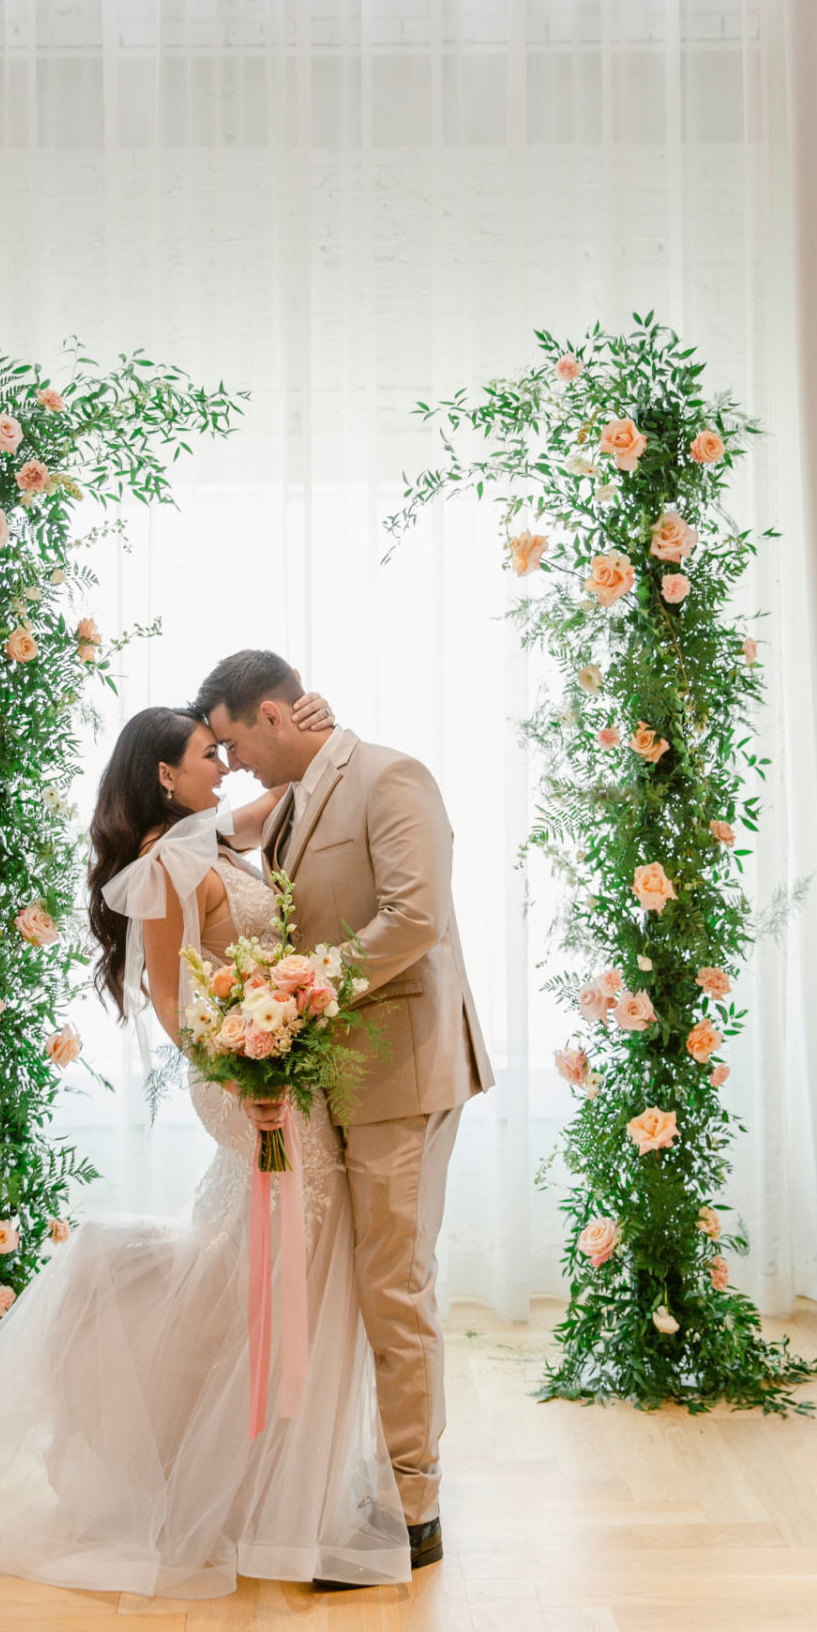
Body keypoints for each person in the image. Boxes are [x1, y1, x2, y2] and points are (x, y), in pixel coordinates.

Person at [0, 695, 411, 1598]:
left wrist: (321, 722)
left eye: (224, 751)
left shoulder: (215, 836)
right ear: (164, 775)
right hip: (246, 1083)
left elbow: (290, 785)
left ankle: (272, 1481)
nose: (225, 766)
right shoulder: (162, 864)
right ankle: (236, 1481)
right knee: (278, 1256)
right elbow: (177, 1004)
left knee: (278, 1262)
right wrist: (247, 1077)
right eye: (206, 754)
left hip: (280, 1069)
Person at [195, 650, 494, 1575]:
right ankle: (341, 1478)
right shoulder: (285, 803)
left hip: (403, 1072)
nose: (232, 759)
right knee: (338, 1290)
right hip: (333, 1082)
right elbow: (208, 843)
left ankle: (417, 1505)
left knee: (393, 1287)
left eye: (235, 737)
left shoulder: (393, 777)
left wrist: (304, 994)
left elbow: (413, 920)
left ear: (277, 715)